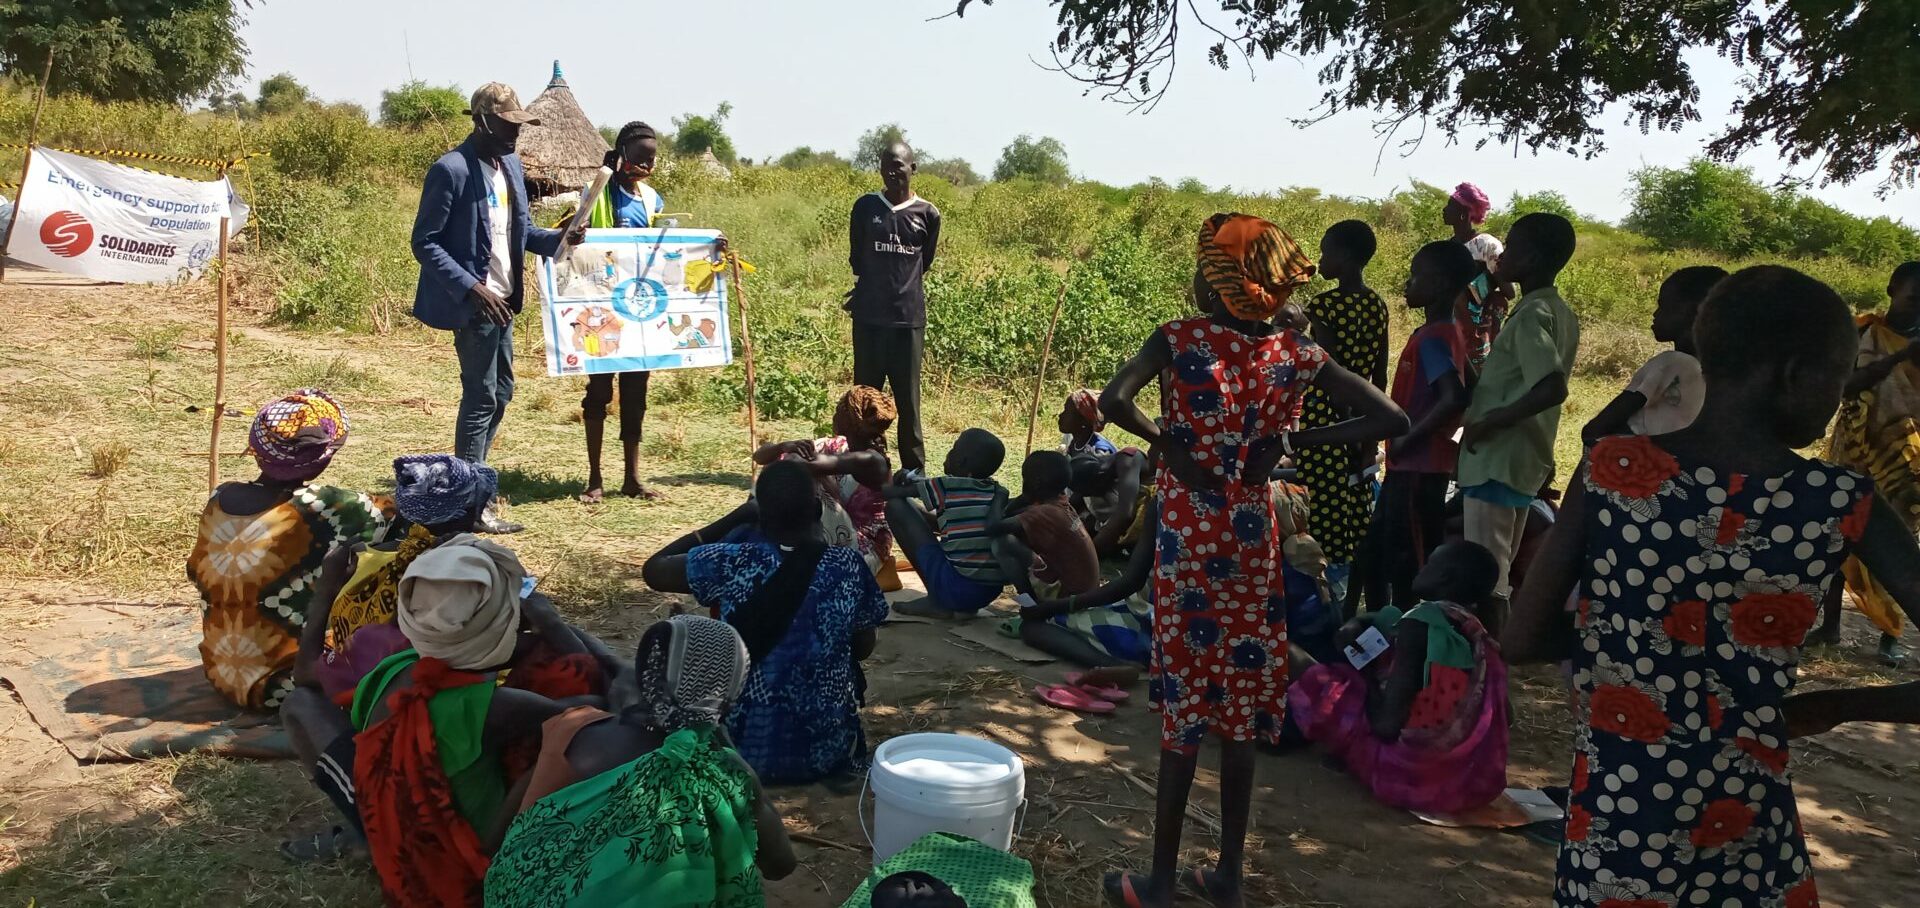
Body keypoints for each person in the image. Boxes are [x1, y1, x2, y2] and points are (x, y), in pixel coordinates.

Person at [1506, 265, 1920, 908]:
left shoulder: (1612, 471)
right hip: (1748, 834)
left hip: (1617, 828)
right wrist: (1837, 705)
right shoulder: (1841, 500)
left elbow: (1522, 638)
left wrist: (1625, 640)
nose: (1838, 399)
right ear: (1793, 374)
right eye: (1837, 380)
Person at [1096, 213, 1408, 908]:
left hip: (1189, 537)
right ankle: (1229, 877)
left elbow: (1115, 400)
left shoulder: (1179, 340)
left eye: (1208, 273)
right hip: (1251, 537)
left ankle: (1161, 882)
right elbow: (1393, 419)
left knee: (1184, 711)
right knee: (1239, 712)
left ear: (1225, 284)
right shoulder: (1297, 354)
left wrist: (1169, 444)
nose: (1199, 285)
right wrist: (1296, 436)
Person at [284, 535, 590, 902]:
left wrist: (328, 586)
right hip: (461, 858)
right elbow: (598, 707)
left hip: (392, 822)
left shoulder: (387, 663)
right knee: (567, 740)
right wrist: (556, 627)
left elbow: (305, 676)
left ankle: (365, 832)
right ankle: (496, 861)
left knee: (299, 704)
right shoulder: (502, 706)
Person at [483, 615, 796, 906]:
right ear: (731, 691)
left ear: (645, 677)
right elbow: (780, 865)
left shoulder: (576, 735)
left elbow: (502, 837)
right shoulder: (728, 772)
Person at [642, 461, 890, 785]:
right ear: (816, 509)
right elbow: (863, 648)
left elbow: (654, 569)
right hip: (827, 752)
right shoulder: (848, 566)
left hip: (738, 752)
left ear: (760, 516)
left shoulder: (730, 560)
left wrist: (735, 516)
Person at [410, 82, 581, 533]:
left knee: (501, 391)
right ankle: (469, 503)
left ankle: (471, 481)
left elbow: (521, 233)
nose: (515, 134)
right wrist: (471, 287)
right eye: (508, 125)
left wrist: (560, 239)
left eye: (518, 126)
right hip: (474, 305)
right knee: (481, 395)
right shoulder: (451, 170)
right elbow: (424, 242)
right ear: (483, 121)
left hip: (504, 300)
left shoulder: (509, 166)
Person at [187, 389, 392, 711]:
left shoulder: (219, 499)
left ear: (255, 449)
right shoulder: (331, 506)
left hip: (223, 675)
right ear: (325, 457)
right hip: (292, 686)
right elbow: (389, 514)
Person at [1289, 541, 1509, 815]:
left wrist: (1365, 672)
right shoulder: (1478, 632)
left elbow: (1386, 725)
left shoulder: (1419, 625)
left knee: (1296, 658)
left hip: (1405, 774)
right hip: (1462, 781)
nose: (1422, 567)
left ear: (1445, 578)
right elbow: (1506, 716)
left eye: (1430, 563)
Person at [1457, 212, 1581, 635]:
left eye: (1511, 246)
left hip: (1499, 457)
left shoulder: (1532, 315)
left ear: (1529, 258)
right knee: (1499, 567)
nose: (1503, 254)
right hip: (1523, 458)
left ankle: (1494, 662)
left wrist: (1488, 422)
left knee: (1486, 575)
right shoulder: (1555, 309)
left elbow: (1551, 387)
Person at [316, 453, 498, 699]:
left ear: (401, 506)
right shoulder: (480, 573)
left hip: (357, 694)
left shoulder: (357, 560)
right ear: (474, 513)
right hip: (446, 702)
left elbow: (309, 671)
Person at [1356, 241, 1474, 613]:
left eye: (1415, 275)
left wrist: (1409, 438)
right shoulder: (1443, 332)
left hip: (1418, 468)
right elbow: (1471, 382)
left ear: (1438, 284)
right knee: (1379, 553)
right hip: (1409, 467)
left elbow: (1453, 397)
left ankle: (1410, 637)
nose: (1408, 283)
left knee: (1411, 563)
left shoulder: (1436, 338)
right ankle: (1377, 632)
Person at [1817, 260, 1920, 663]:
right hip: (1855, 450)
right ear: (1893, 288)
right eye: (1913, 298)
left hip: (1905, 461)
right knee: (1836, 540)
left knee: (1896, 545)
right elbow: (1843, 388)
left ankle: (1891, 632)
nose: (1918, 308)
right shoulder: (1861, 333)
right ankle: (1829, 627)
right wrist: (1898, 359)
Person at [1297, 219, 1390, 610]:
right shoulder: (1378, 305)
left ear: (1347, 257)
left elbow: (1330, 374)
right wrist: (1368, 431)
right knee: (1356, 515)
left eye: (1326, 252)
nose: (1321, 260)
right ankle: (1353, 604)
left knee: (1321, 513)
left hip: (1325, 420)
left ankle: (1326, 608)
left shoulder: (1323, 306)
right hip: (1368, 414)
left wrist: (1346, 428)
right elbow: (1379, 374)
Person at [848, 141, 941, 475]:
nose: (891, 170)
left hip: (908, 320)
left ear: (912, 168)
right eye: (886, 164)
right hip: (869, 318)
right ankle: (866, 463)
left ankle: (913, 470)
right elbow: (857, 259)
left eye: (899, 164)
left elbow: (923, 261)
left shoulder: (928, 214)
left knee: (908, 400)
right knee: (865, 397)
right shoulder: (865, 207)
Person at [754, 386, 899, 583]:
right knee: (787, 464)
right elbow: (760, 456)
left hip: (863, 550)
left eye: (840, 410)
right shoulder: (839, 446)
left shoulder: (871, 460)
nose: (835, 414)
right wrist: (783, 446)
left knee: (797, 479)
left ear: (849, 419)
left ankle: (758, 519)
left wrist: (799, 460)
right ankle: (760, 522)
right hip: (840, 534)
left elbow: (799, 465)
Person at [1580, 265, 1726, 444]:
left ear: (1692, 312)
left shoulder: (1672, 363)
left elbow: (1596, 428)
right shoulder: (1721, 372)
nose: (1655, 314)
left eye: (1663, 306)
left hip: (1636, 463)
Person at [886, 428, 1011, 616]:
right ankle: (958, 605)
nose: (949, 452)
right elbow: (950, 522)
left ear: (961, 461)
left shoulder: (946, 486)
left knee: (896, 507)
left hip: (955, 588)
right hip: (987, 593)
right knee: (916, 510)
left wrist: (897, 481)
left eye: (953, 448)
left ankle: (937, 601)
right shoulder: (994, 490)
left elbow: (892, 495)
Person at [991, 451, 1101, 604]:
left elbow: (994, 527)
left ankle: (1031, 606)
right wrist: (1024, 497)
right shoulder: (1061, 502)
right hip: (1084, 594)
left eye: (1024, 478)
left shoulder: (1046, 512)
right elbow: (1015, 511)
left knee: (1003, 543)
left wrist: (999, 497)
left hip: (1069, 599)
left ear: (1035, 483)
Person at [1443, 182, 1509, 376]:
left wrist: (1474, 289)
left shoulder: (1487, 245)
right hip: (1449, 326)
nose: (1444, 210)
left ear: (1464, 212)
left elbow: (1508, 290)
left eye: (1450, 206)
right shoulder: (1448, 247)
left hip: (1477, 329)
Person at [1069, 447, 1153, 559]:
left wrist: (1089, 555)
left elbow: (1125, 514)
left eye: (1093, 492)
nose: (1093, 495)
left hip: (1153, 509)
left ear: (1100, 477)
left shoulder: (1127, 461)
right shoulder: (1094, 471)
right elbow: (1073, 503)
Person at [1060, 389, 1119, 456]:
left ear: (1084, 421)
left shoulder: (1099, 452)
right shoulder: (1076, 442)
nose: (1060, 415)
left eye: (1066, 412)